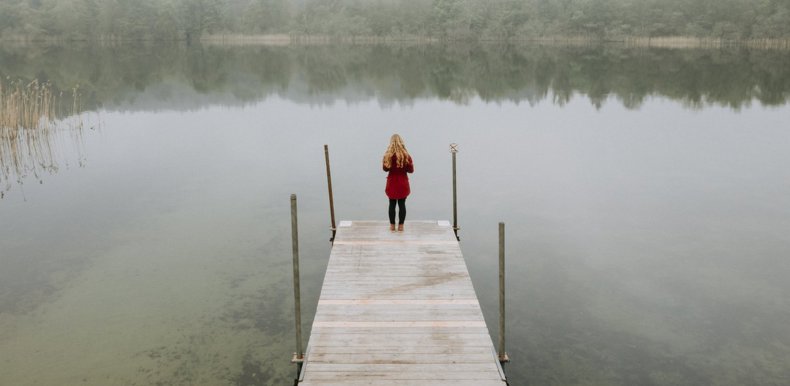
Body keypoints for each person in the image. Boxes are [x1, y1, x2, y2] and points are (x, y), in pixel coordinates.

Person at [382, 134, 414, 232]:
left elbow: (384, 169)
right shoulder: (406, 156)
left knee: (391, 204)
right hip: (403, 183)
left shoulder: (387, 156)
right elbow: (411, 170)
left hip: (391, 183)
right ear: (401, 142)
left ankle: (392, 226)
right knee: (402, 204)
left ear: (391, 143)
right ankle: (401, 226)